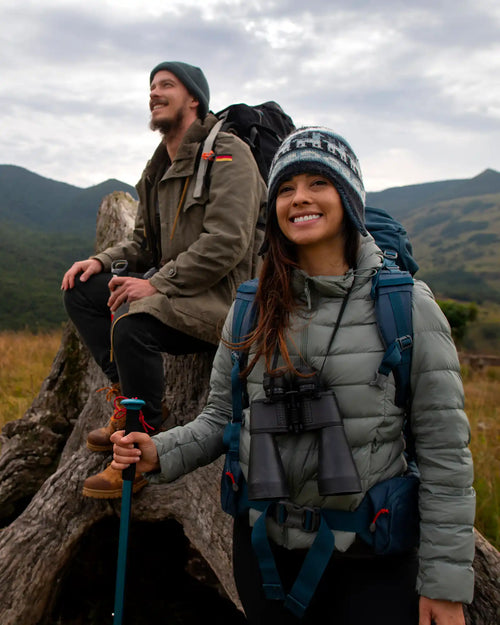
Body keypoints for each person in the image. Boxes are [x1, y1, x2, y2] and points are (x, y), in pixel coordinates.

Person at [111, 127, 475, 624]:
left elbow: (444, 456)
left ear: (347, 197)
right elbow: (221, 416)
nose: (299, 198)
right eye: (285, 188)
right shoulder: (250, 309)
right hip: (265, 556)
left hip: (369, 562)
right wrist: (160, 450)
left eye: (317, 183)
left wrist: (444, 585)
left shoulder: (407, 306)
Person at [61, 61, 266, 499]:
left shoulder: (228, 154)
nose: (154, 93)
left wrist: (157, 284)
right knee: (82, 290)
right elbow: (143, 246)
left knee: (133, 319)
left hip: (226, 302)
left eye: (166, 85)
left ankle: (142, 433)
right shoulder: (157, 169)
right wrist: (100, 261)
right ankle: (128, 395)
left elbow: (227, 243)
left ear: (194, 99)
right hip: (180, 294)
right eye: (151, 87)